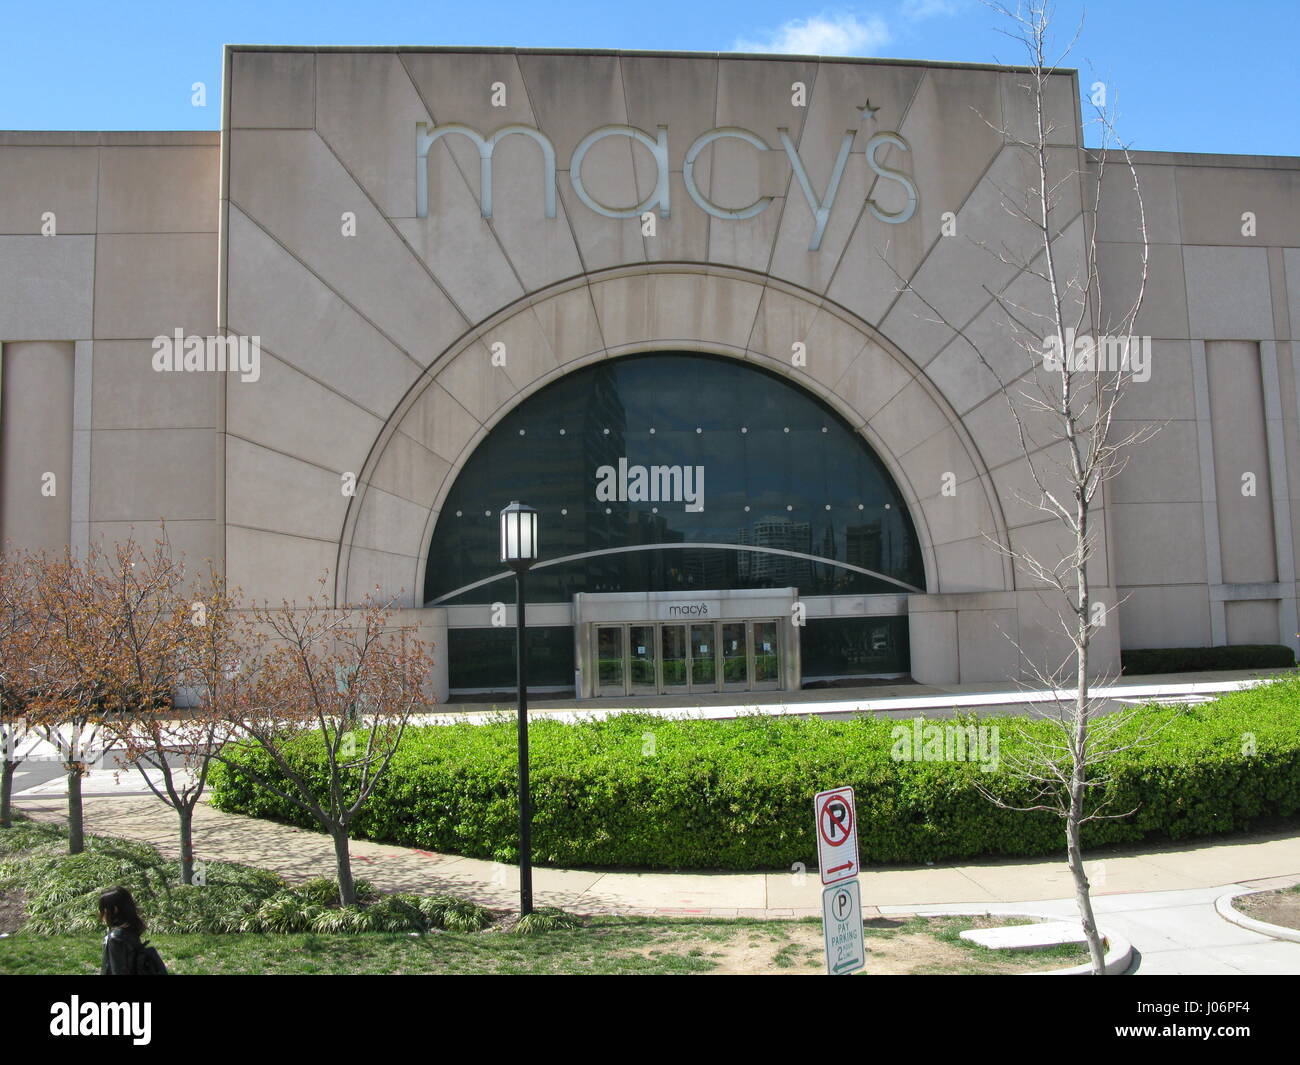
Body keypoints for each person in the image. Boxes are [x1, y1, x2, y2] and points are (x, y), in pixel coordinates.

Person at [98, 886, 147, 975]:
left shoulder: (116, 938)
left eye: (102, 909)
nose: (101, 913)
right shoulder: (131, 930)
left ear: (115, 909)